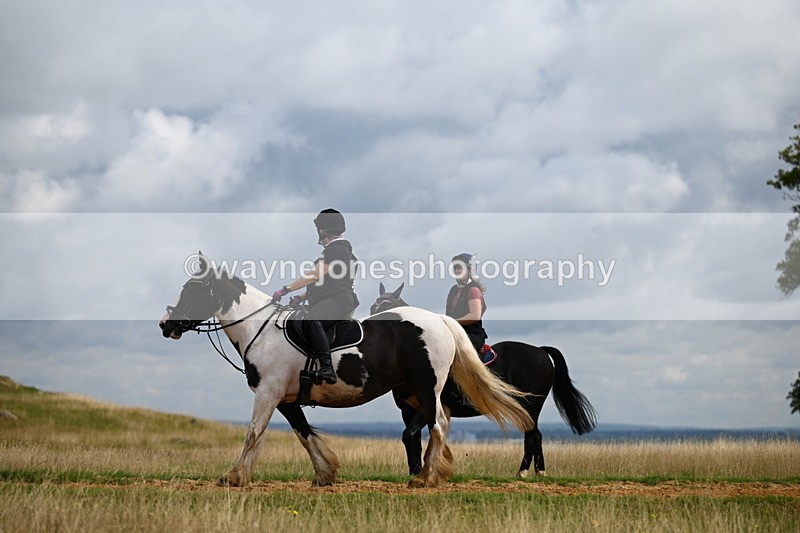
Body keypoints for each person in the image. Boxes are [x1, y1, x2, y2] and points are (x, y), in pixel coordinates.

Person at [271, 209, 359, 384]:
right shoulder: (336, 250)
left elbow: (314, 275)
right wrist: (302, 297)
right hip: (333, 297)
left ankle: (327, 369)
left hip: (339, 300)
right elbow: (322, 284)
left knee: (312, 320)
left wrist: (286, 289)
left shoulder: (337, 249)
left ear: (323, 230)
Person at [445, 253, 492, 360]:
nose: (457, 271)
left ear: (470, 271)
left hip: (471, 334)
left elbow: (474, 316)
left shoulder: (473, 290)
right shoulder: (453, 290)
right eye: (455, 268)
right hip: (456, 332)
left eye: (460, 268)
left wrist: (452, 322)